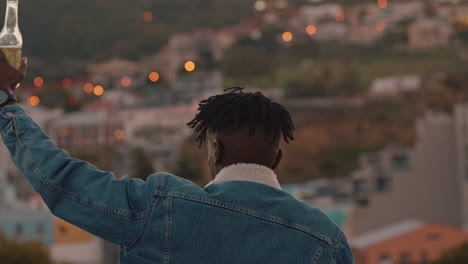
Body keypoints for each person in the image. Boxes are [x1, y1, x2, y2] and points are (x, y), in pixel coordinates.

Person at [0, 50, 354, 264]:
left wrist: (6, 101)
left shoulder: (161, 208)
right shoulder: (327, 240)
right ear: (276, 160)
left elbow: (60, 181)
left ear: (216, 150)